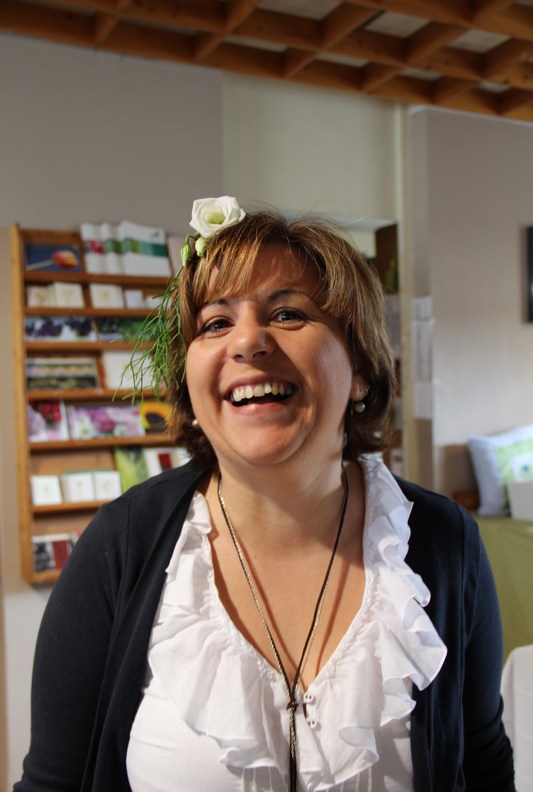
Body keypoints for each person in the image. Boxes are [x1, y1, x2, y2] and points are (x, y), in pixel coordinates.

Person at [15, 196, 515, 792]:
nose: (247, 341)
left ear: (358, 367)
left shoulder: (444, 544)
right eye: (215, 323)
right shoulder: (122, 546)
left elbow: (483, 765)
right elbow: (53, 782)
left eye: (287, 314)